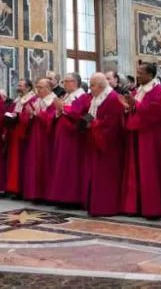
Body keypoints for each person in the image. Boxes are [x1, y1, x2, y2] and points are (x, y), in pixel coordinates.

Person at [120, 62, 161, 219]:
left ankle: (152, 208)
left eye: (141, 72)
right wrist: (128, 107)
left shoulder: (159, 91)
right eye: (137, 72)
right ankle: (135, 205)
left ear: (150, 75)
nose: (138, 75)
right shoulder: (138, 91)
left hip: (150, 136)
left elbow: (156, 112)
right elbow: (135, 109)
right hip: (136, 134)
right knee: (135, 170)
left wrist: (136, 104)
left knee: (149, 171)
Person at [84, 73, 127, 216]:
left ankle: (106, 207)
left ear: (101, 86)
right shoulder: (96, 98)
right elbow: (91, 113)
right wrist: (83, 122)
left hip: (109, 145)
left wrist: (94, 124)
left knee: (106, 177)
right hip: (97, 141)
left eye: (92, 85)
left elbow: (112, 124)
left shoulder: (112, 98)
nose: (90, 89)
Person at [48, 73, 90, 206]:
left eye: (67, 81)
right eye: (63, 82)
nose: (64, 84)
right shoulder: (67, 96)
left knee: (70, 166)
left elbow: (79, 113)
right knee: (61, 165)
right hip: (63, 135)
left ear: (75, 82)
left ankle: (71, 198)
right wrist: (58, 112)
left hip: (73, 137)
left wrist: (62, 107)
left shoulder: (82, 96)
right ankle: (61, 196)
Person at [22, 78, 57, 201]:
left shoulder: (53, 101)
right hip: (35, 137)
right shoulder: (37, 100)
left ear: (48, 89)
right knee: (35, 164)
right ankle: (36, 193)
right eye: (37, 87)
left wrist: (39, 114)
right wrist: (30, 114)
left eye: (41, 87)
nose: (38, 90)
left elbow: (52, 120)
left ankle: (46, 194)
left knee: (46, 164)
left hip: (47, 139)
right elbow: (27, 119)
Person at [4, 79, 37, 197]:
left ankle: (21, 189)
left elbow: (30, 116)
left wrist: (19, 117)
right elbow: (11, 111)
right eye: (18, 85)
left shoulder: (32, 99)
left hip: (23, 135)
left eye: (20, 85)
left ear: (28, 87)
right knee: (14, 162)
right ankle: (14, 188)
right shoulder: (17, 99)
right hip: (14, 133)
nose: (18, 87)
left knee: (21, 162)